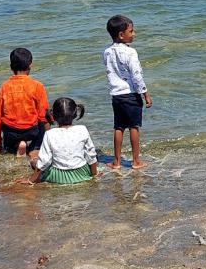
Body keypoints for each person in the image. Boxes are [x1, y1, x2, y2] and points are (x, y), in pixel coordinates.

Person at [103, 14, 152, 170]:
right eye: (131, 31)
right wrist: (145, 93)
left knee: (118, 127)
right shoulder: (131, 53)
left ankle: (116, 161)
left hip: (116, 95)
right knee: (134, 127)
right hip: (130, 94)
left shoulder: (107, 52)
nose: (134, 34)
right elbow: (136, 75)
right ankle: (136, 161)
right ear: (121, 35)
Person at [0, 47, 51, 162]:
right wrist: (50, 136)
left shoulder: (3, 87)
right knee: (44, 121)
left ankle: (17, 145)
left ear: (11, 67)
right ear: (30, 65)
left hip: (11, 132)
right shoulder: (37, 86)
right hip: (31, 131)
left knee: (7, 132)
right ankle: (34, 149)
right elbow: (43, 115)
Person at [27, 98, 98, 185]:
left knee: (34, 161)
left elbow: (44, 160)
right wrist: (94, 174)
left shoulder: (50, 134)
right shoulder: (82, 129)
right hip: (81, 173)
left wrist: (31, 180)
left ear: (53, 115)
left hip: (59, 176)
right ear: (75, 113)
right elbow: (91, 154)